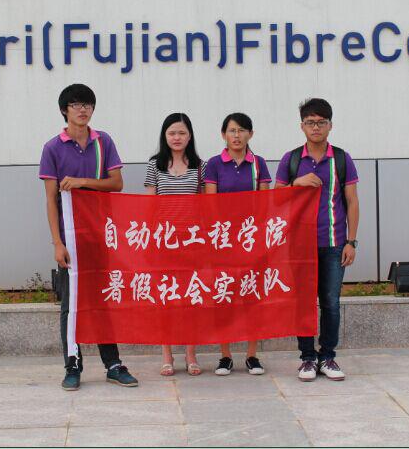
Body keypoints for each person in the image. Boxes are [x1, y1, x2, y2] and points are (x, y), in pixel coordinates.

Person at [39, 83, 139, 391]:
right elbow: (51, 200)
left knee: (103, 300)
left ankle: (113, 364)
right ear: (64, 110)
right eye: (76, 105)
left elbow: (117, 183)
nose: (82, 110)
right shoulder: (53, 148)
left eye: (87, 105)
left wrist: (83, 182)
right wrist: (57, 243)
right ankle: (73, 364)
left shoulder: (103, 142)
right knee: (71, 305)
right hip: (71, 239)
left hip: (100, 235)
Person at [274, 98, 359, 382]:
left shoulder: (342, 159)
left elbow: (352, 201)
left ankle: (328, 357)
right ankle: (307, 358)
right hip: (300, 245)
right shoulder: (291, 159)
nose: (316, 127)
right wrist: (296, 183)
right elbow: (276, 199)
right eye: (310, 122)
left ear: (330, 125)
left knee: (331, 302)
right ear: (302, 126)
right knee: (304, 303)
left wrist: (351, 242)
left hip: (334, 244)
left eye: (321, 122)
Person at [203, 112, 272, 376]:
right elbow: (211, 204)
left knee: (252, 297)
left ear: (250, 134)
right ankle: (225, 356)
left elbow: (265, 204)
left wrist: (255, 234)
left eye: (242, 130)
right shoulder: (214, 164)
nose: (237, 135)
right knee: (225, 295)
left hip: (252, 240)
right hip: (223, 241)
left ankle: (252, 355)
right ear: (223, 134)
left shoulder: (259, 164)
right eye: (232, 130)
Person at [143, 112, 207, 376]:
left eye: (181, 133)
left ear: (189, 136)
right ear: (165, 136)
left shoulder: (200, 166)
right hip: (163, 241)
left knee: (191, 297)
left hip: (192, 241)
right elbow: (149, 205)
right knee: (166, 299)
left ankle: (191, 354)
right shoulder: (154, 165)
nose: (177, 137)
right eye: (172, 133)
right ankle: (167, 354)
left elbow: (205, 204)